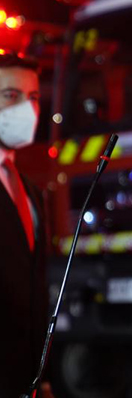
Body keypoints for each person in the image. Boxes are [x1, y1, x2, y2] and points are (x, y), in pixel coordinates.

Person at [0, 53, 48, 397]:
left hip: (22, 376)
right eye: (11, 96)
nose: (26, 110)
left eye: (33, 98)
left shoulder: (28, 189)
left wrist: (41, 376)